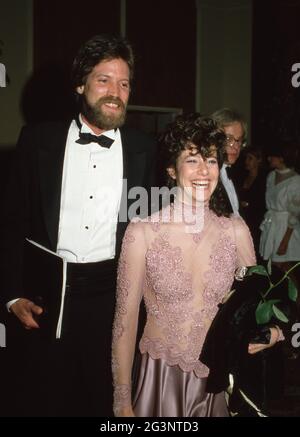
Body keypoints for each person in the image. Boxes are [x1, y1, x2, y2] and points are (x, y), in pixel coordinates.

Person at [0, 34, 156, 416]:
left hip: (114, 300)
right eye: (104, 80)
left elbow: (156, 231)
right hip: (46, 301)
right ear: (80, 84)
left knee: (105, 403)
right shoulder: (37, 140)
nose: (115, 92)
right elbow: (11, 222)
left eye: (124, 83)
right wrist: (11, 294)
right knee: (45, 400)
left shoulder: (146, 150)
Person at [111, 114, 274, 418]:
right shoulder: (142, 231)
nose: (204, 171)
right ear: (172, 169)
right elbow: (125, 321)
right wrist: (121, 399)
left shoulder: (236, 229)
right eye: (192, 160)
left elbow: (258, 304)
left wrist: (273, 331)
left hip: (219, 382)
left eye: (211, 161)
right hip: (160, 380)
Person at [259, 142, 300, 316]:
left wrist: (285, 241)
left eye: (272, 156)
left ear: (282, 158)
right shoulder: (270, 176)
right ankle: (279, 307)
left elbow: (295, 213)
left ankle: (297, 304)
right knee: (272, 266)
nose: (269, 159)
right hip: (271, 225)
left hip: (286, 228)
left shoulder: (296, 180)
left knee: (284, 266)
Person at [212, 108, 247, 216]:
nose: (236, 147)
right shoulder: (205, 178)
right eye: (228, 139)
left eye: (239, 140)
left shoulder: (233, 173)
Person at [238, 145, 267, 257]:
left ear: (258, 160)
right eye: (246, 158)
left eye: (250, 158)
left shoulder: (265, 178)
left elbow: (263, 201)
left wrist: (248, 204)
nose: (246, 161)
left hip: (258, 222)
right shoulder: (241, 176)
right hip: (244, 220)